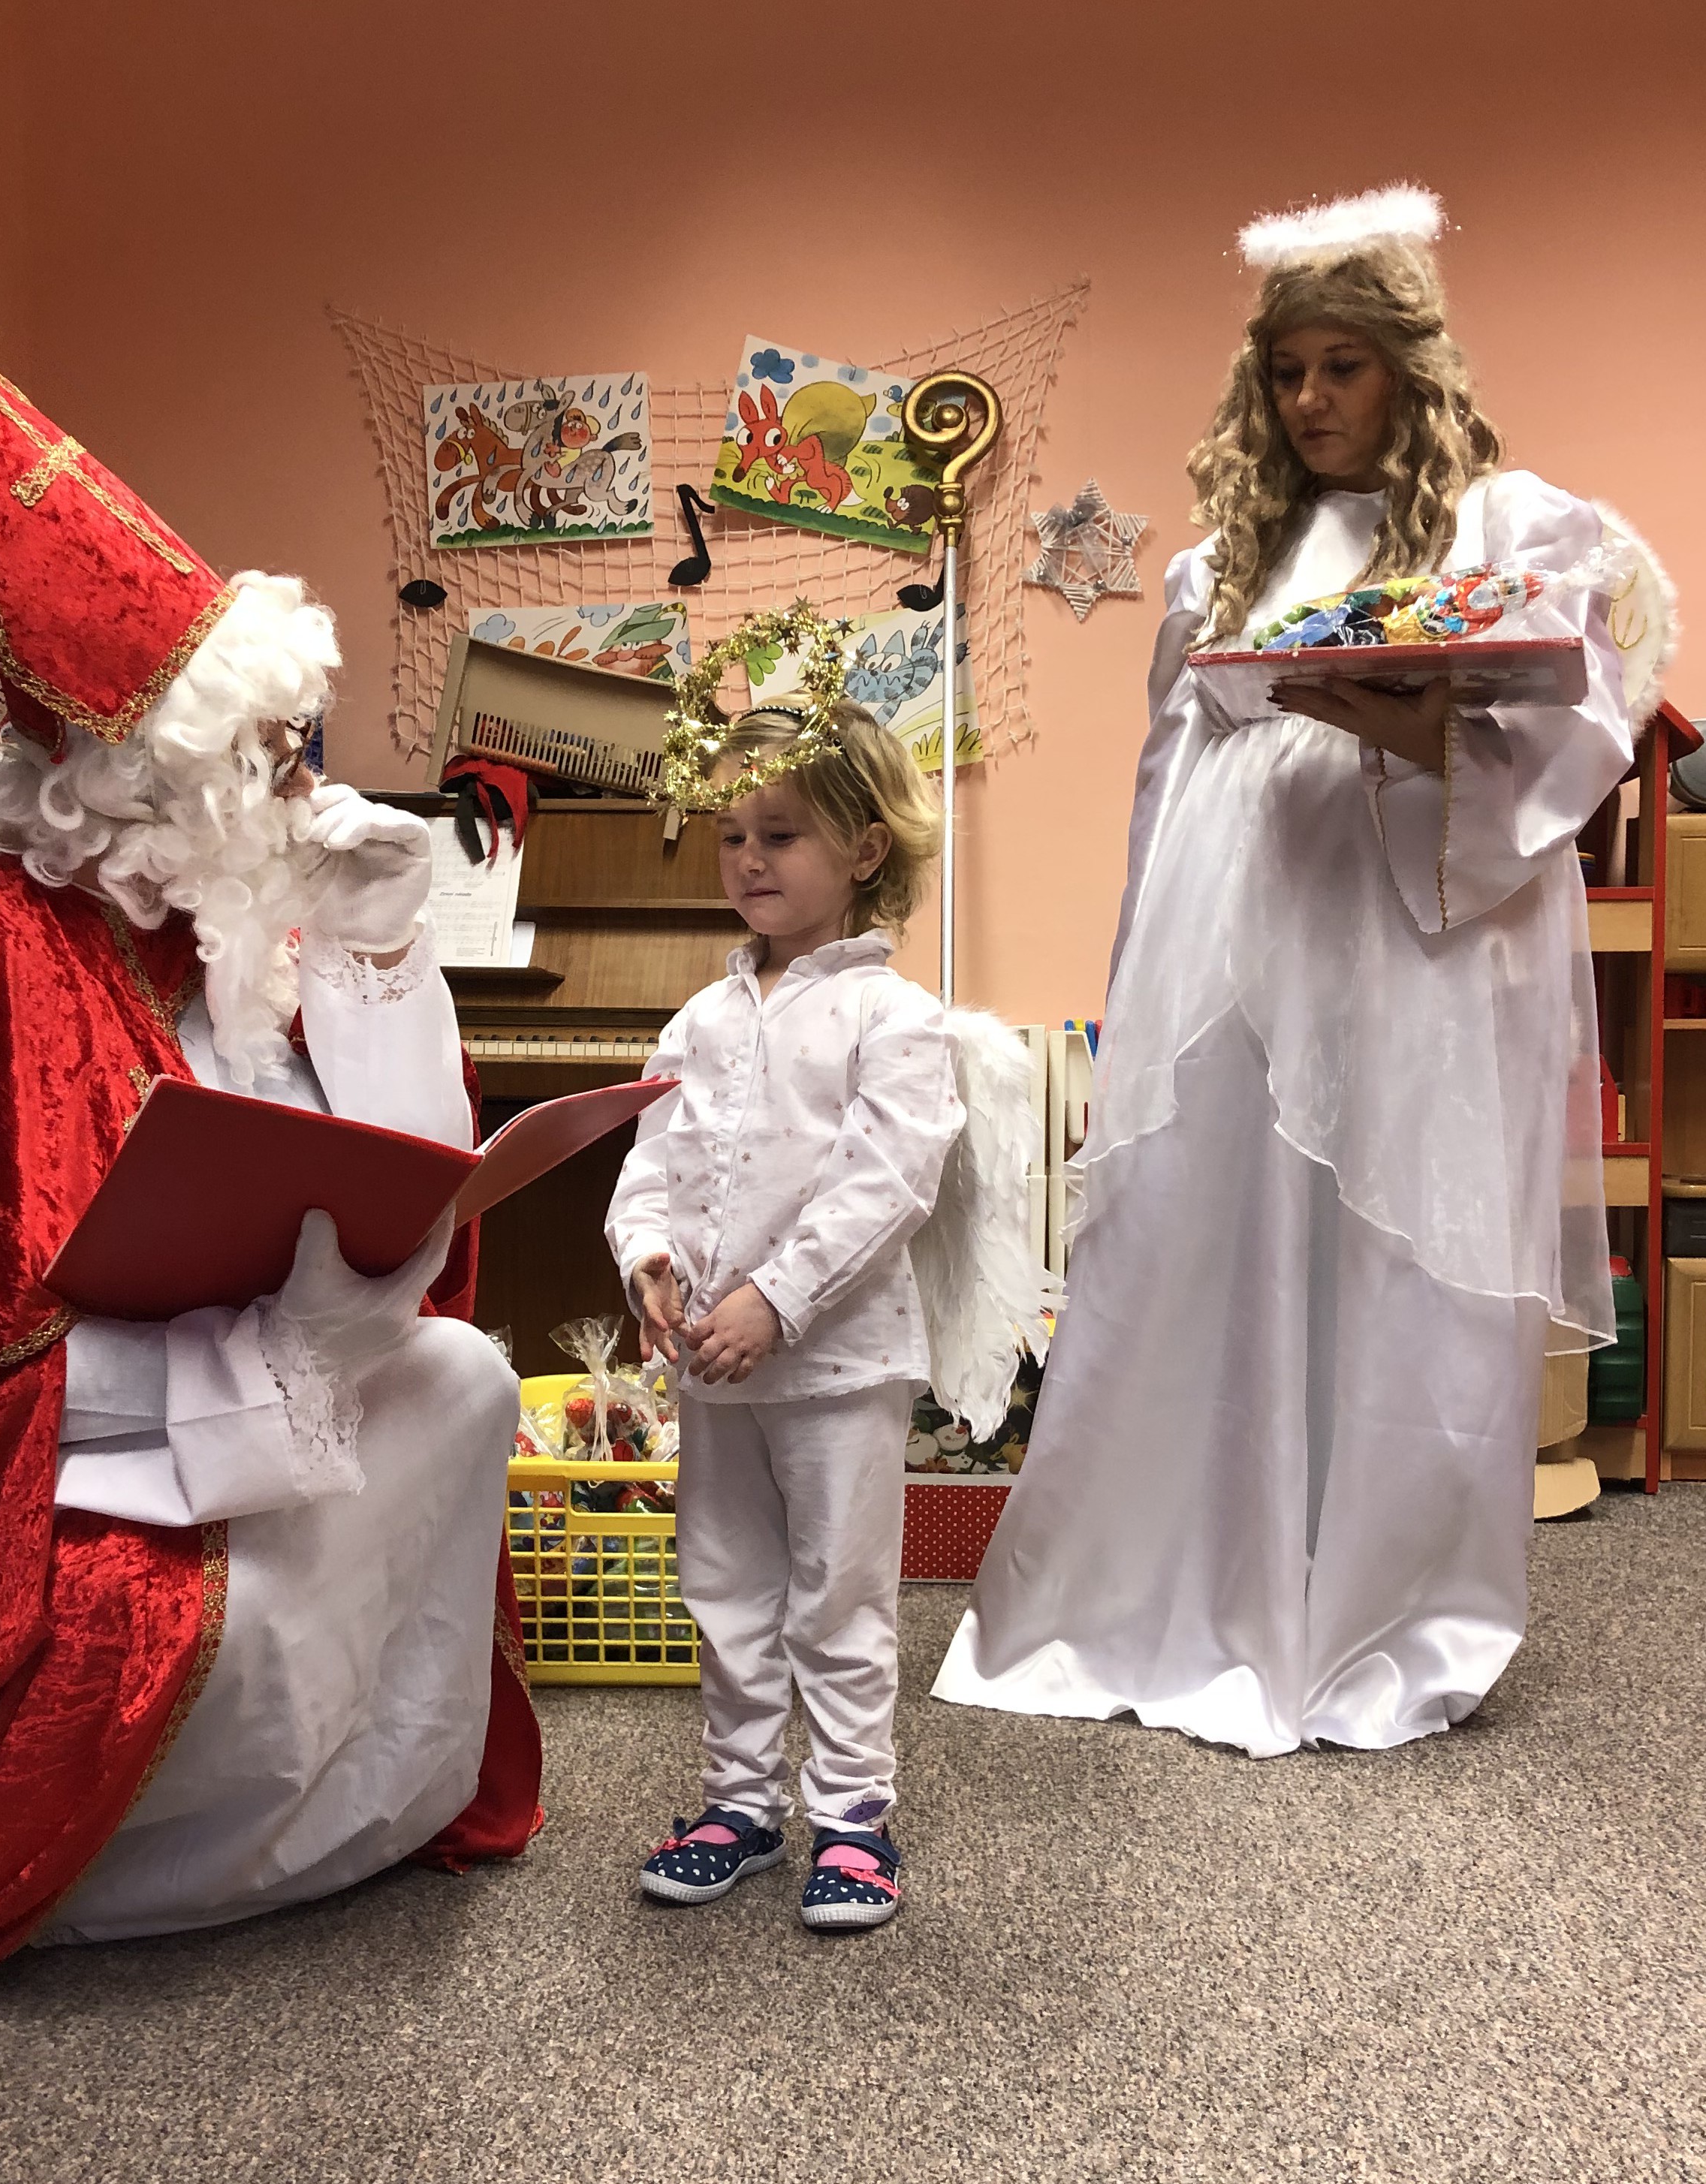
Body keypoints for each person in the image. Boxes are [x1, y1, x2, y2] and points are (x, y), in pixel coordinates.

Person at [0, 313, 538, 1992]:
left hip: (232, 1382)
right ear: (142, 775)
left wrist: (380, 945)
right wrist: (274, 1355)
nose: (296, 781)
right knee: (194, 1604)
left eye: (295, 744)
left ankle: (360, 1805)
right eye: (260, 752)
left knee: (466, 1381)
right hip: (45, 1460)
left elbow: (406, 1173)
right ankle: (126, 1875)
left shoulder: (219, 914)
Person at [934, 185, 1636, 1757]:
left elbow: (1582, 734)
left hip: (1412, 947)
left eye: (1343, 367)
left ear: (1407, 368)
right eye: (1287, 372)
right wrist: (1139, 988)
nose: (1311, 401)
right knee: (1217, 1238)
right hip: (1240, 938)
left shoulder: (1506, 531)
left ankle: (1382, 1609)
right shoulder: (1216, 569)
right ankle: (1195, 1580)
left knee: (1394, 1264)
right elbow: (1164, 787)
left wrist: (1422, 733)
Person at [606, 671, 963, 1930]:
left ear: (863, 850)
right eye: (731, 835)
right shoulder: (698, 1018)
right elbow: (645, 1159)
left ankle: (854, 1814)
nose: (749, 859)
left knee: (837, 1595)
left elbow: (889, 1179)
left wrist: (776, 1296)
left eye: (781, 833)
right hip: (712, 1364)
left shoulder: (892, 1013)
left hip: (835, 1364)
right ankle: (740, 1802)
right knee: (723, 1583)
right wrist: (647, 1256)